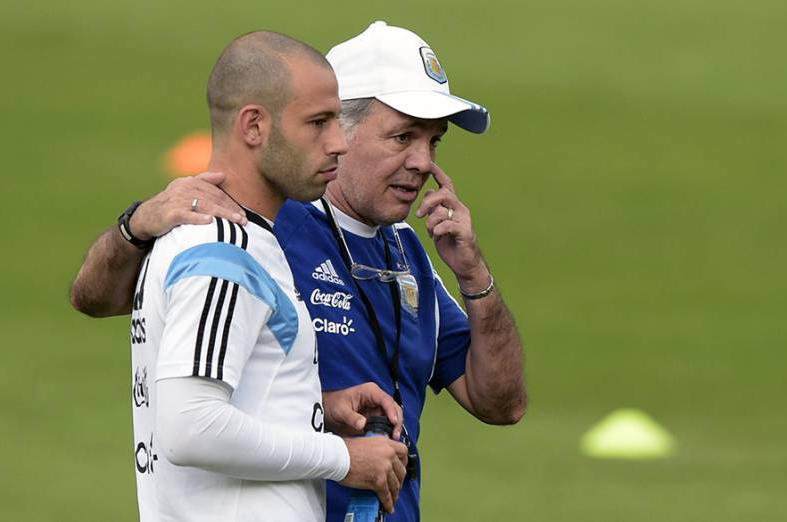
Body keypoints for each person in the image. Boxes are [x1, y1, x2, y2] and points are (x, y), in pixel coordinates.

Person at [70, 22, 526, 522]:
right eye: (402, 136)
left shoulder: (409, 253)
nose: (422, 162)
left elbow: (500, 404)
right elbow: (98, 300)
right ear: (341, 129)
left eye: (433, 142)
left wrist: (473, 275)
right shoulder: (243, 226)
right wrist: (133, 226)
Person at [117, 31, 407, 522]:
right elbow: (191, 426)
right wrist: (344, 459)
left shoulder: (224, 239)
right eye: (318, 123)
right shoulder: (224, 251)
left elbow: (223, 397)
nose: (338, 143)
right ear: (254, 126)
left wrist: (312, 409)